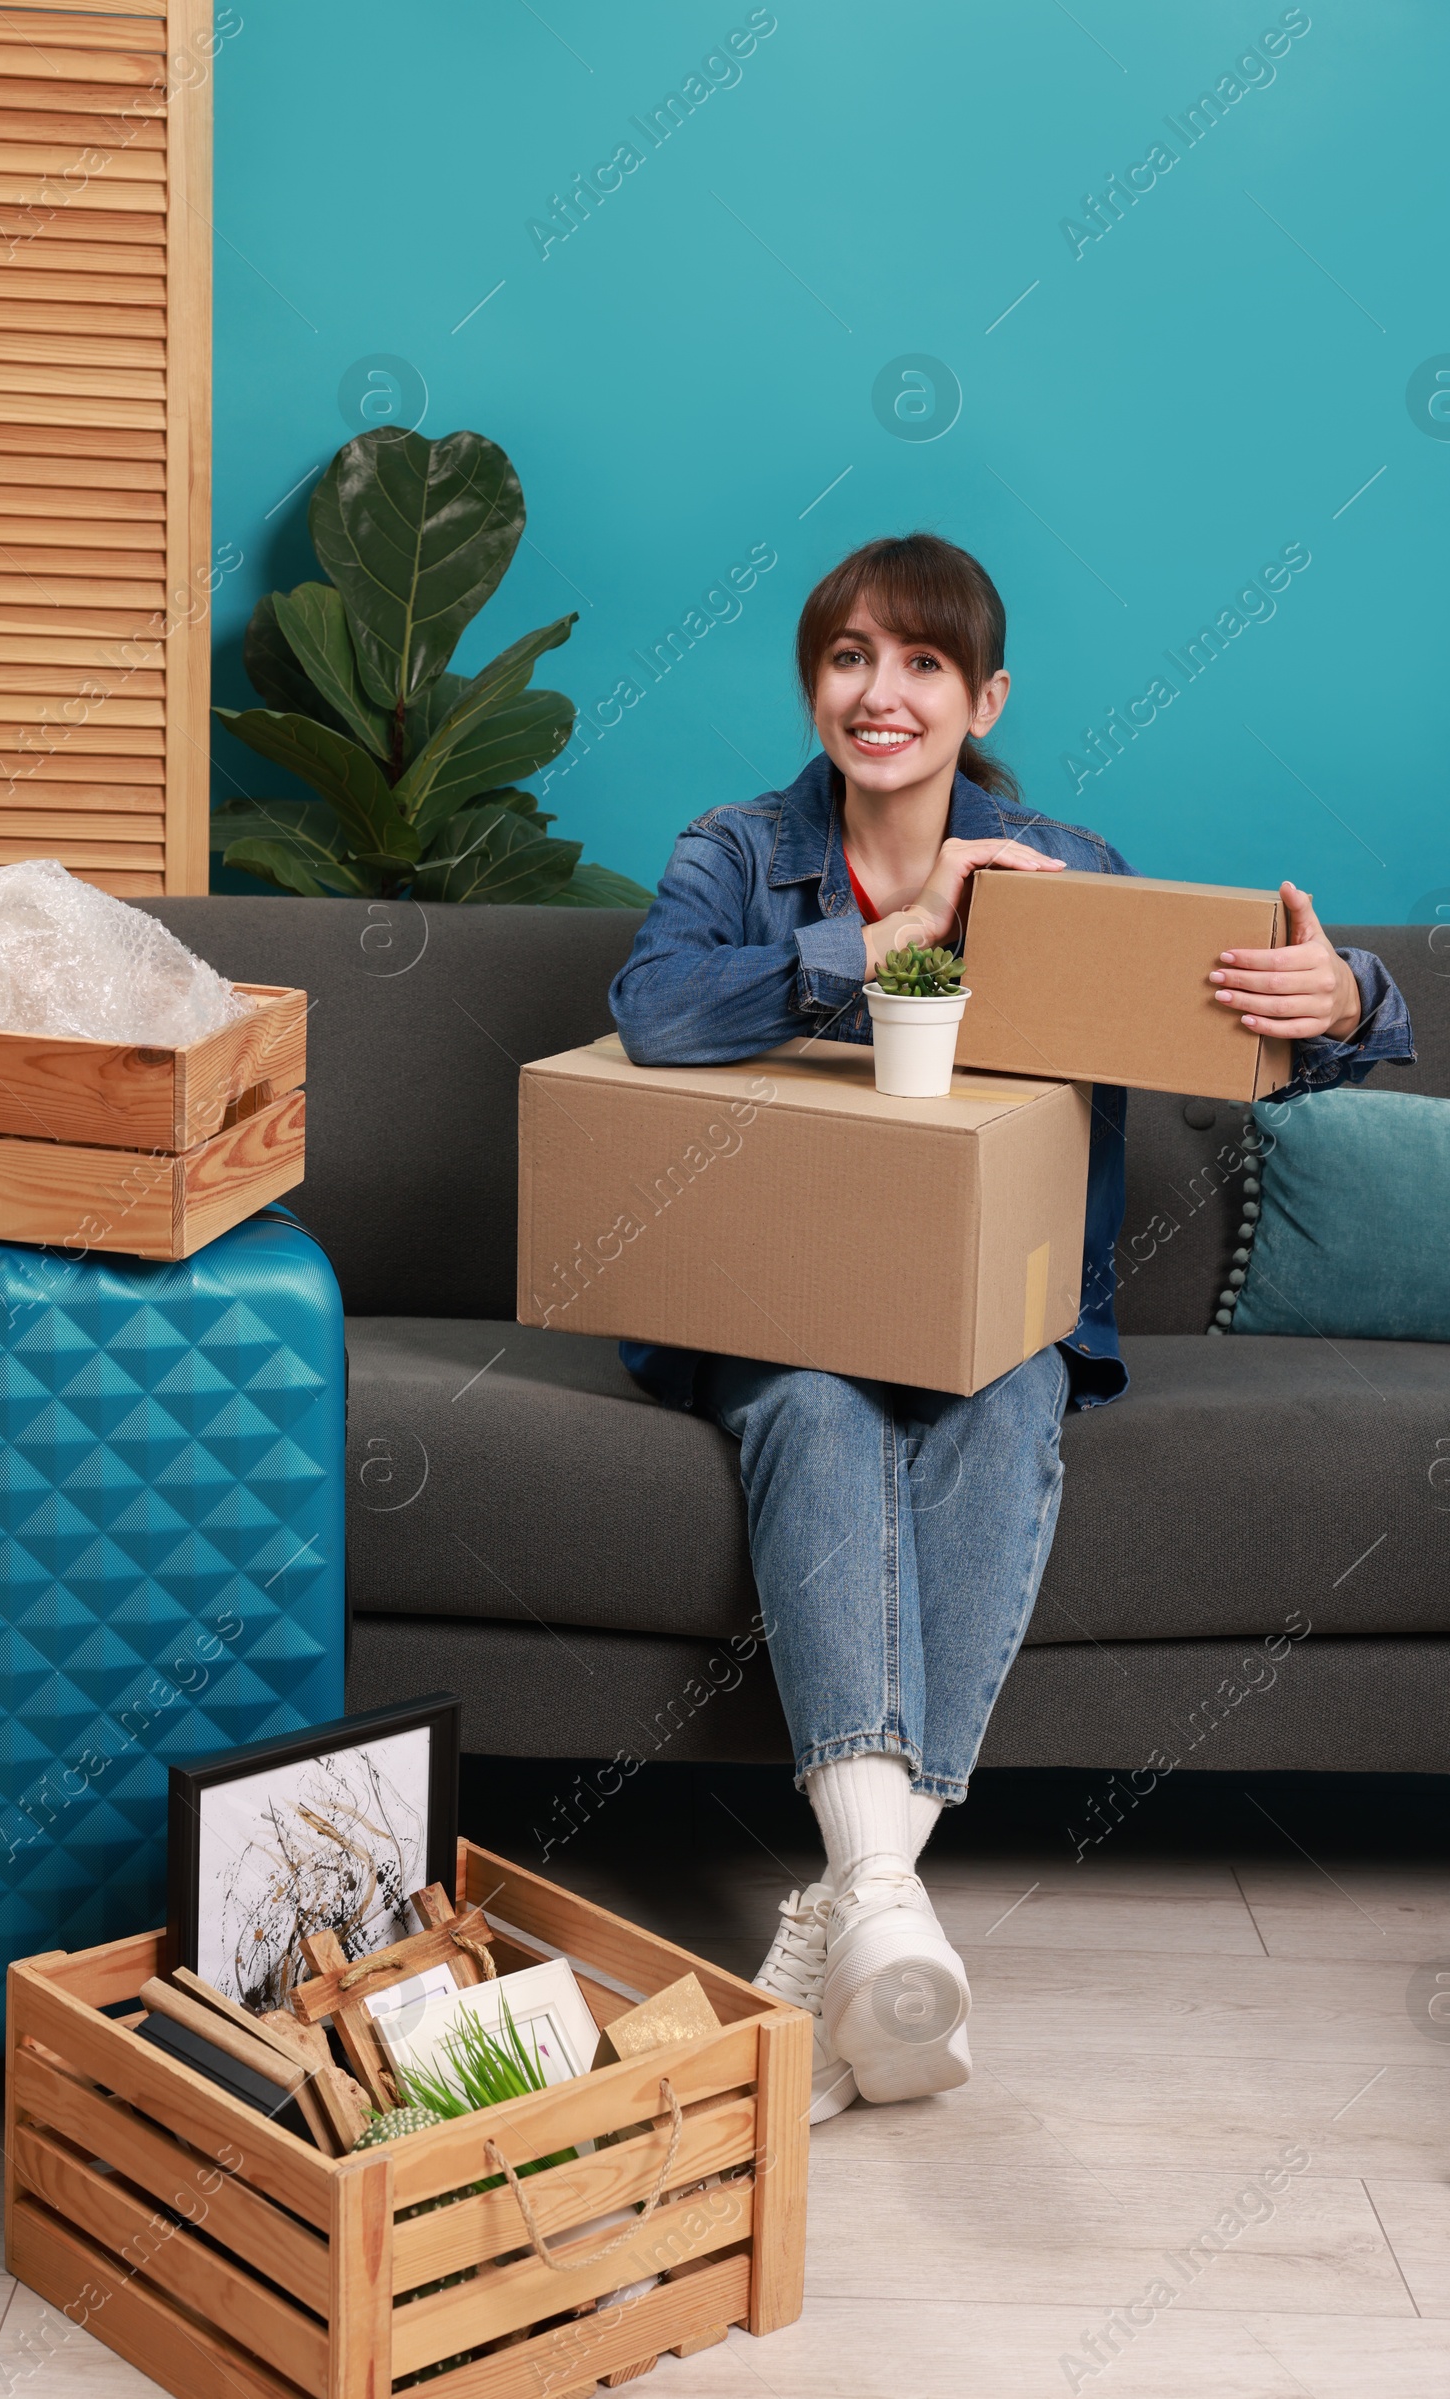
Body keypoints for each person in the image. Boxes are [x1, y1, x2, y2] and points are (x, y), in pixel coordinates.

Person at [608, 532, 1414, 2120]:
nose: (879, 693)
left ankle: (845, 1915)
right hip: (783, 1298)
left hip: (1001, 1316)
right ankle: (879, 1913)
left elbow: (1230, 1009)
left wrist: (1354, 1000)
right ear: (812, 684)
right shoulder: (738, 851)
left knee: (1001, 1403)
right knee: (818, 1406)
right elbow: (655, 1011)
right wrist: (891, 942)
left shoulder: (1063, 866)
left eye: (919, 664)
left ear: (983, 698)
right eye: (848, 657)